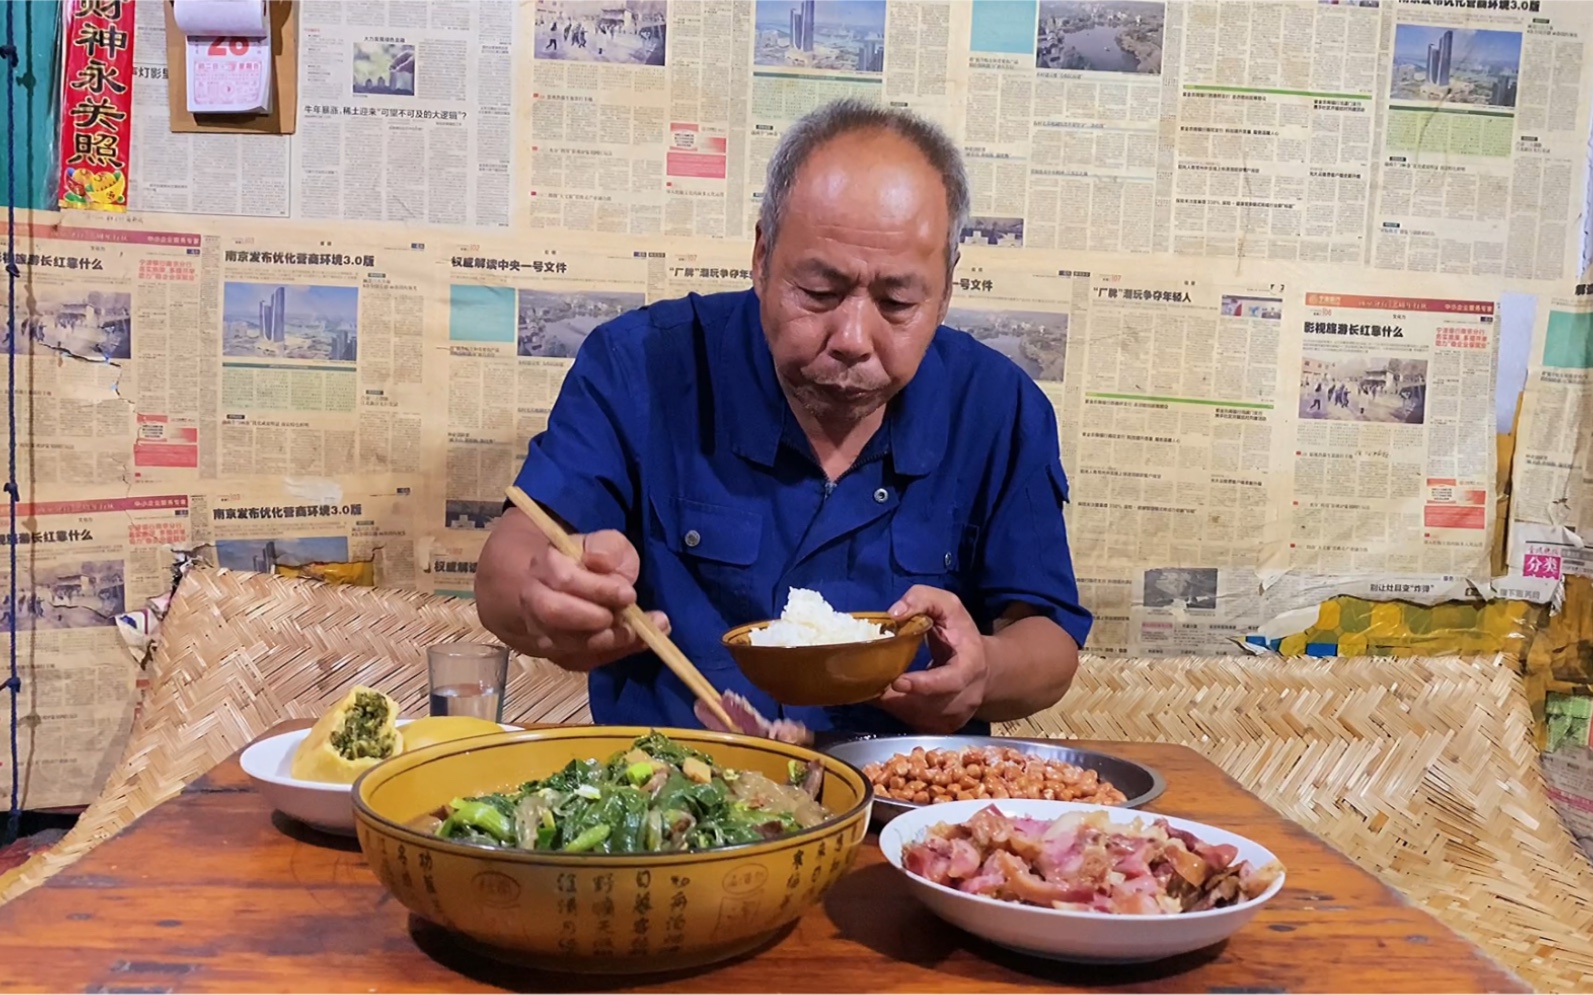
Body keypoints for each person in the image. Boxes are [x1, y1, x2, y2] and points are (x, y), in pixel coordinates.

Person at [475, 97, 1091, 738]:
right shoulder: (641, 367)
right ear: (762, 255)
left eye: (897, 300)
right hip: (676, 804)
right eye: (819, 292)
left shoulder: (997, 407)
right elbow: (507, 563)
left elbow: (1049, 644)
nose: (853, 335)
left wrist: (981, 670)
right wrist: (543, 597)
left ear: (947, 287)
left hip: (901, 815)